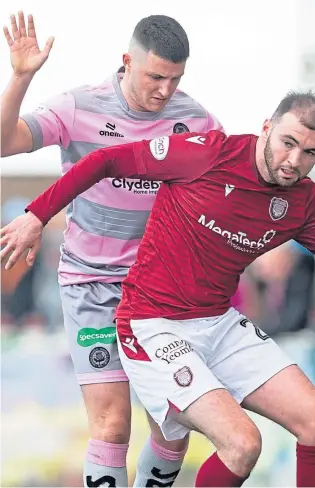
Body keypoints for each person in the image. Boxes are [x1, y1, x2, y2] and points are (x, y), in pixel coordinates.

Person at [2, 92, 315, 487]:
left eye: (309, 152)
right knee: (241, 443)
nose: (294, 161)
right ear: (266, 128)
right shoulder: (205, 154)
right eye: (287, 143)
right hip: (151, 324)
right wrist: (38, 214)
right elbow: (105, 160)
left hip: (218, 323)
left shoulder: (304, 202)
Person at [1, 11, 223, 487]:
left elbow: (235, 182)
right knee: (111, 425)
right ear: (127, 61)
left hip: (161, 291)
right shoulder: (80, 106)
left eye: (175, 79)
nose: (165, 90)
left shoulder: (196, 120)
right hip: (91, 285)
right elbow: (5, 142)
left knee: (174, 423)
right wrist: (20, 77)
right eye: (155, 76)